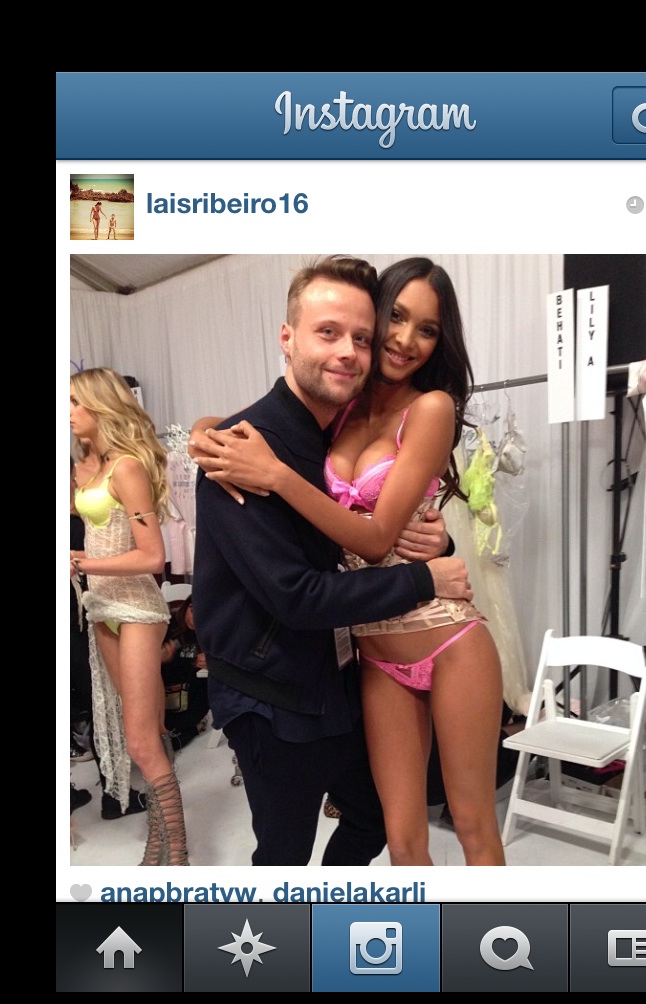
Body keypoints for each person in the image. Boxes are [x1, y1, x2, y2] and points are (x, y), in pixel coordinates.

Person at [192, 257, 506, 866]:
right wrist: (207, 432)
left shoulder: (429, 406)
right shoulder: (340, 409)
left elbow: (377, 535)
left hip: (440, 635)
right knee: (398, 838)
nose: (401, 340)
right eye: (394, 319)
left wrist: (276, 476)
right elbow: (272, 419)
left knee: (471, 825)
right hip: (362, 657)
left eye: (426, 329)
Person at [69, 367, 188, 865]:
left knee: (140, 739)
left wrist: (82, 564)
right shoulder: (87, 468)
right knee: (148, 732)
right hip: (101, 607)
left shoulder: (126, 467)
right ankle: (159, 843)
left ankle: (177, 854)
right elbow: (100, 535)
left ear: (99, 405)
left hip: (136, 607)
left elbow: (152, 556)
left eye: (74, 402)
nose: (68, 412)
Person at [70, 456, 148, 819]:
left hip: (107, 608)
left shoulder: (119, 472)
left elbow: (146, 553)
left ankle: (118, 793)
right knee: (102, 702)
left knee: (117, 709)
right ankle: (116, 794)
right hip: (89, 611)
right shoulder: (78, 516)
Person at [160, 595, 210, 750]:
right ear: (185, 606)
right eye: (192, 611)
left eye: (202, 614)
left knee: (171, 742)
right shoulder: (167, 624)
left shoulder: (210, 631)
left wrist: (211, 660)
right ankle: (194, 728)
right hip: (165, 690)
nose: (195, 620)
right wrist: (159, 658)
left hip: (193, 693)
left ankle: (194, 727)